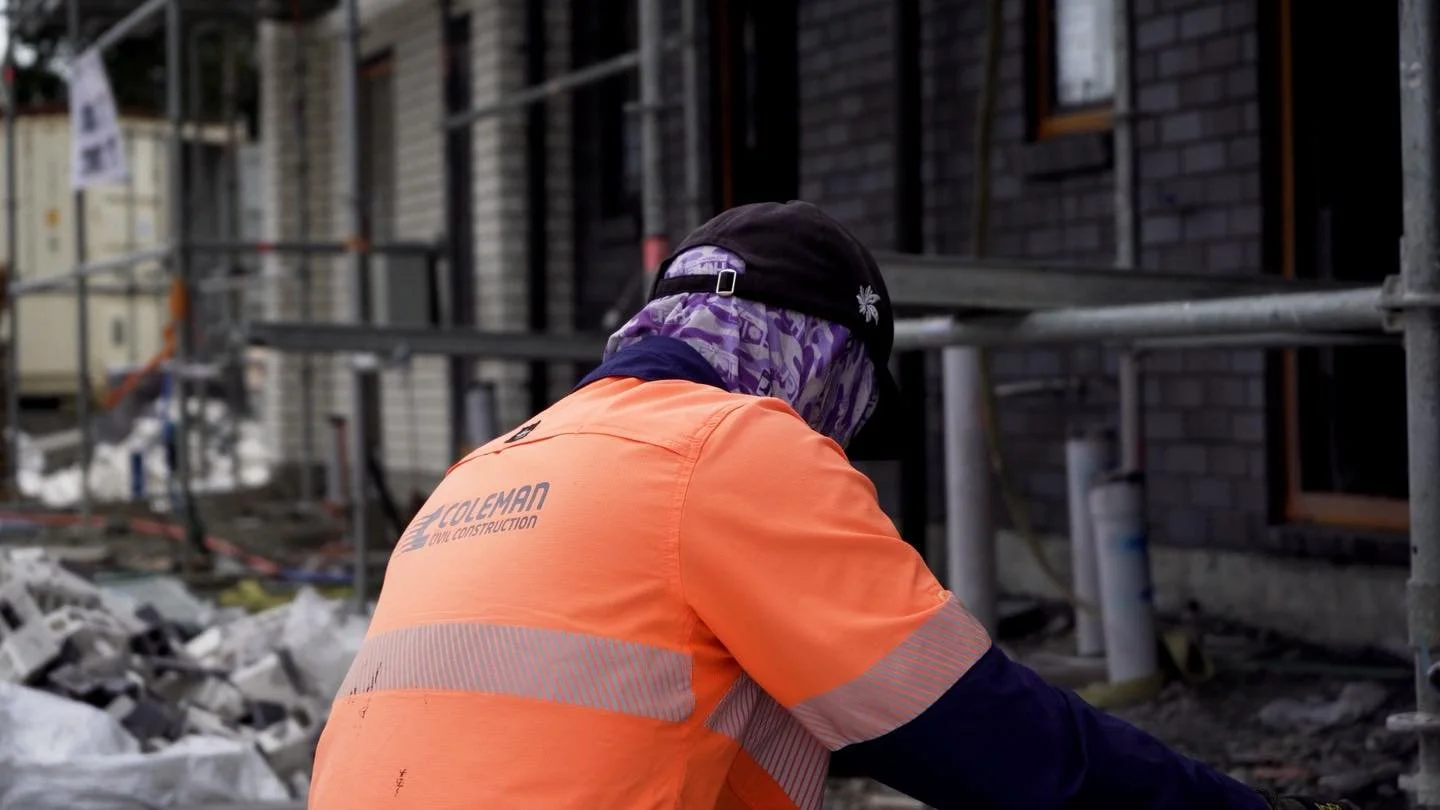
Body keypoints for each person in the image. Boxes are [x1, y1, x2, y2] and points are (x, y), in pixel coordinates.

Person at [308, 202, 1359, 810]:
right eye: (846, 402)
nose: (839, 437)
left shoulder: (487, 466)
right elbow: (992, 742)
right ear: (812, 359)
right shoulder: (729, 443)